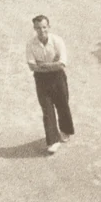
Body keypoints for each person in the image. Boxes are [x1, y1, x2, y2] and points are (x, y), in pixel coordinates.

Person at [26, 15, 74, 154]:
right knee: (47, 109)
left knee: (62, 104)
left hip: (58, 78)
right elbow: (32, 66)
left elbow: (62, 64)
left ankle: (65, 130)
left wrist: (43, 65)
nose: (42, 31)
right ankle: (53, 141)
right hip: (41, 80)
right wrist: (52, 64)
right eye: (38, 28)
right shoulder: (30, 44)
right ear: (34, 29)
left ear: (49, 27)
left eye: (44, 27)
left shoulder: (57, 41)